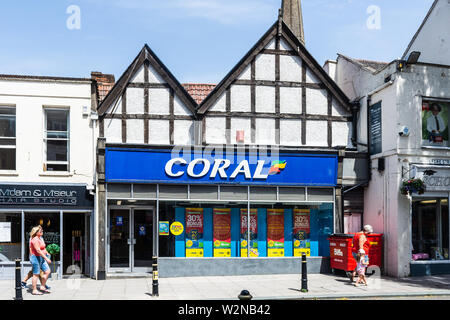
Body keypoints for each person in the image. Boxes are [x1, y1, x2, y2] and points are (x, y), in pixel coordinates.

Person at [29, 226, 52, 295]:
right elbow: (38, 250)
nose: (42, 231)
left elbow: (42, 248)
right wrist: (46, 258)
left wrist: (47, 252)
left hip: (41, 258)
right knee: (36, 274)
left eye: (42, 230)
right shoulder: (35, 239)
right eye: (40, 231)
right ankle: (34, 290)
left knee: (47, 271)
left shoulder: (40, 238)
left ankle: (42, 286)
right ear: (36, 232)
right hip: (36, 258)